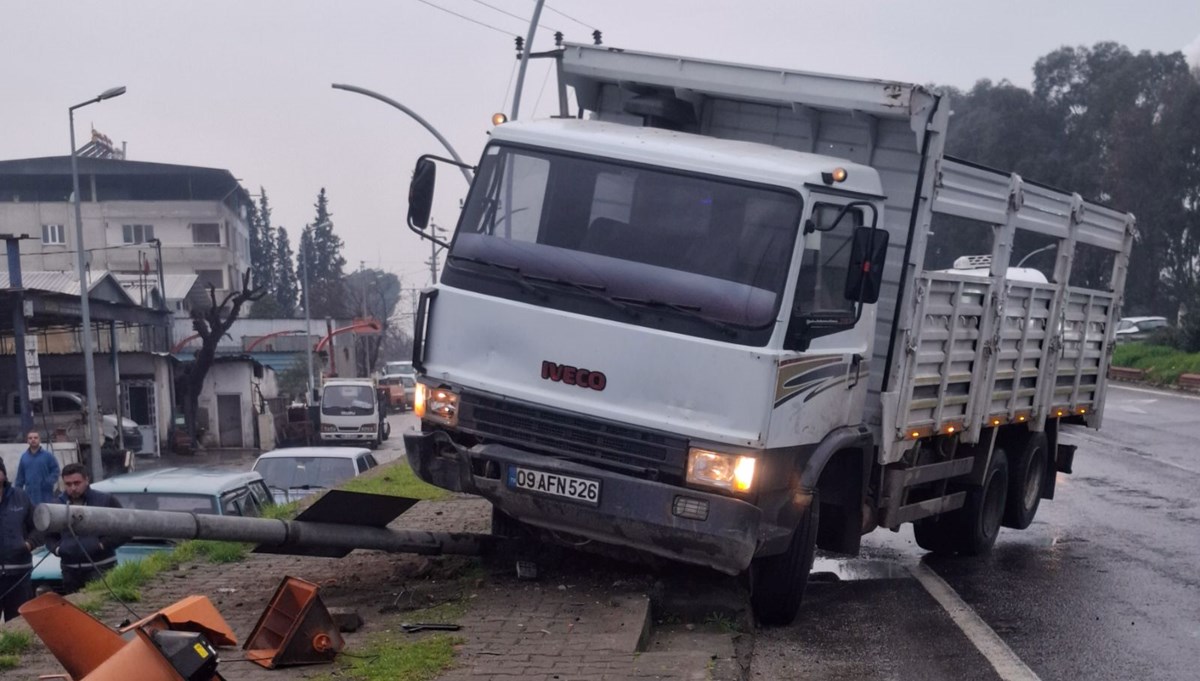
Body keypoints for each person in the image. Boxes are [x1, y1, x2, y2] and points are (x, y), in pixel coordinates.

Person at [44, 463, 125, 594]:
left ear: (87, 480)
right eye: (68, 484)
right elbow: (48, 536)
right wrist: (58, 549)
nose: (73, 488)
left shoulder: (105, 501)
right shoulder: (57, 505)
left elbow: (125, 530)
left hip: (102, 568)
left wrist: (102, 545)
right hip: (70, 571)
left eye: (77, 483)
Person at [0, 458, 39, 621]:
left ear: (3, 474)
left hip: (19, 574)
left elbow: (39, 526)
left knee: (18, 625)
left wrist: (29, 543)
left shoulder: (20, 496)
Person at [15, 430, 59, 505]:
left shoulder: (48, 456)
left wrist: (48, 482)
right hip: (30, 494)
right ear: (27, 441)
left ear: (39, 440)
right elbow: (20, 477)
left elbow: (56, 470)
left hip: (45, 494)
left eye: (35, 437)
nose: (33, 440)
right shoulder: (24, 457)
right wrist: (17, 492)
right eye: (30, 438)